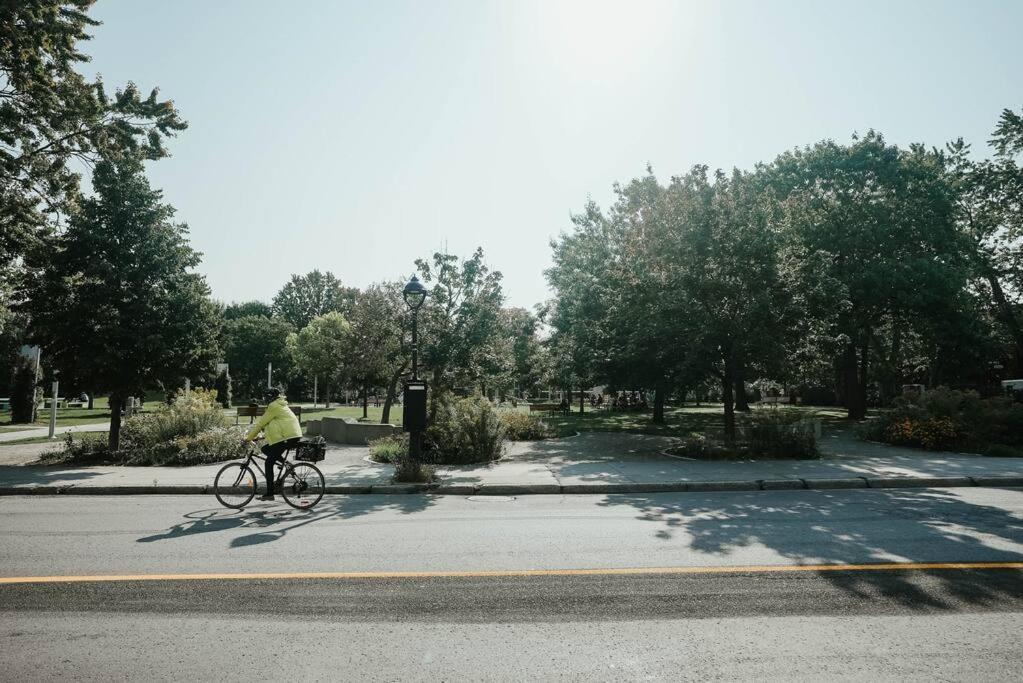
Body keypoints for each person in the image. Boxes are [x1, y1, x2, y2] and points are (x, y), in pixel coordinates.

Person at [244, 388, 303, 501]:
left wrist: (248, 439)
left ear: (270, 397)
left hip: (288, 437)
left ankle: (270, 493)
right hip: (290, 435)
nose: (265, 399)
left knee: (268, 463)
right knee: (265, 449)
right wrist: (261, 437)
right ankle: (287, 464)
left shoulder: (273, 406)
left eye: (266, 397)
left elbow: (260, 424)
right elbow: (277, 425)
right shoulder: (279, 405)